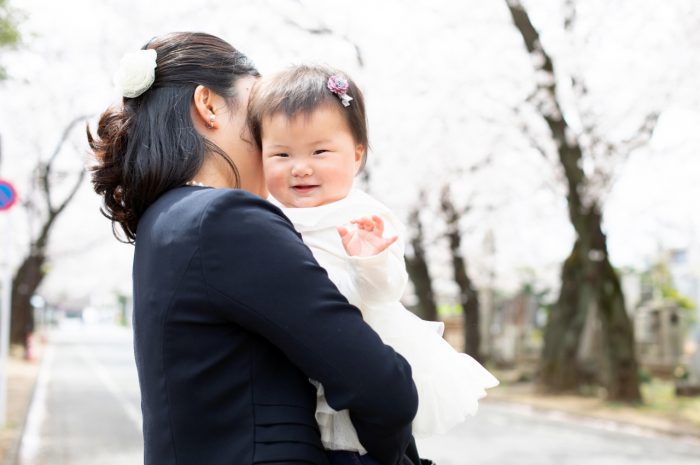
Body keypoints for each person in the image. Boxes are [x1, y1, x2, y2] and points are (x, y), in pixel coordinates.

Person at [88, 32, 419, 465]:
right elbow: (379, 385)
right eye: (258, 110)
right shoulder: (225, 218)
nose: (270, 132)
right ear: (208, 105)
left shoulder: (165, 219)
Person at [247, 65, 500, 461]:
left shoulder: (364, 216)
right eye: (281, 154)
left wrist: (371, 259)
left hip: (357, 359)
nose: (300, 167)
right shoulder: (263, 213)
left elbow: (387, 292)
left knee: (355, 446)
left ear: (357, 156)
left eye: (320, 151)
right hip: (294, 365)